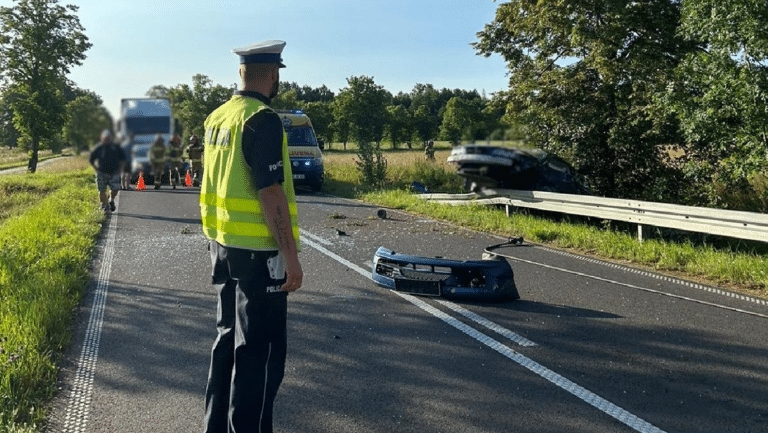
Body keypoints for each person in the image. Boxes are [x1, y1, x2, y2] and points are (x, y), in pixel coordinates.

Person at [200, 39, 303, 433]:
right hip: (260, 253)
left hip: (222, 245)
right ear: (273, 74)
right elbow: (270, 192)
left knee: (227, 340)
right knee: (260, 352)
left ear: (241, 72)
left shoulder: (217, 118)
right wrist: (291, 257)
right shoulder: (263, 119)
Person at [89, 130, 126, 213]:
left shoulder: (116, 147)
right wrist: (96, 169)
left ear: (111, 138)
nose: (106, 139)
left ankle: (111, 199)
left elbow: (123, 159)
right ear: (102, 138)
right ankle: (104, 205)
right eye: (105, 138)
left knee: (115, 189)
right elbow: (91, 160)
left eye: (108, 138)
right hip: (101, 172)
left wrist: (121, 170)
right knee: (101, 190)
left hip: (114, 172)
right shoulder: (98, 148)